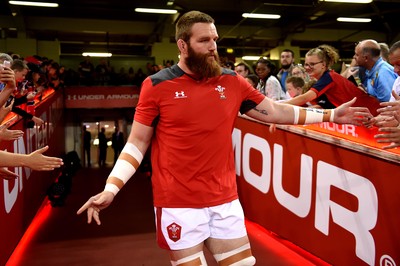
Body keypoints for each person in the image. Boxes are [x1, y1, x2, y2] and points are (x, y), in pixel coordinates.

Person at [77, 11, 372, 266]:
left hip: (224, 200)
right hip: (178, 201)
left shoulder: (231, 80)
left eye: (215, 39)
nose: (213, 47)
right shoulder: (157, 85)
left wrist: (332, 116)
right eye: (204, 41)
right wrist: (111, 189)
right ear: (183, 45)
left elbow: (275, 112)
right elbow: (137, 142)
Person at [285, 44, 382, 116]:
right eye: (306, 64)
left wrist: (278, 106)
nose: (308, 67)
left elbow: (305, 98)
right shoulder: (325, 79)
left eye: (312, 64)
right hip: (367, 115)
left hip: (375, 112)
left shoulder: (328, 78)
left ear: (323, 64)